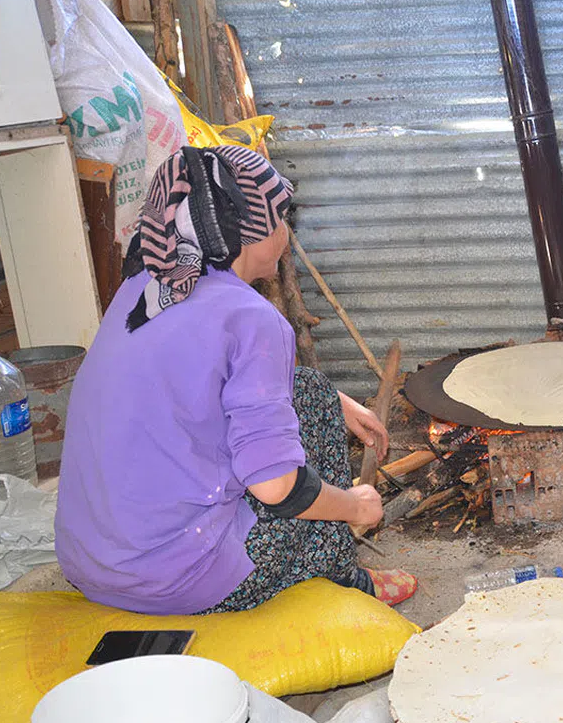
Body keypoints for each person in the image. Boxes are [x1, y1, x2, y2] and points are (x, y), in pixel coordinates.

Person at [55, 145, 417, 615]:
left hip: (92, 567)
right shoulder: (253, 318)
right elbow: (276, 488)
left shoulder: (145, 286)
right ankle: (338, 571)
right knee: (302, 442)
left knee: (310, 390)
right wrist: (355, 505)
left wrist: (338, 400)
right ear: (243, 230)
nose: (286, 232)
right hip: (178, 580)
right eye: (278, 218)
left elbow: (204, 362)